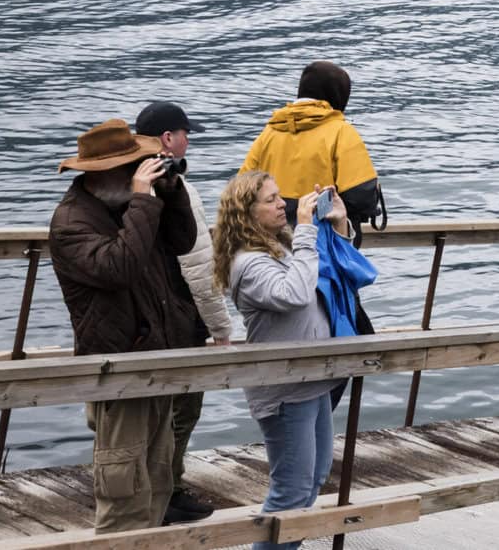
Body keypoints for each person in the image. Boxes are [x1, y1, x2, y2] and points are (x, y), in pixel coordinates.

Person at [47, 118, 203, 532]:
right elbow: (121, 268)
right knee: (123, 492)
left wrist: (169, 194)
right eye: (134, 166)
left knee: (156, 481)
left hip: (156, 359)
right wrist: (142, 200)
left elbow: (183, 241)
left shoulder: (128, 208)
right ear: (104, 174)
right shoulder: (71, 223)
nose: (143, 171)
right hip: (117, 369)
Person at [213, 170, 348, 550]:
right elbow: (295, 295)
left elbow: (328, 276)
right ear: (246, 212)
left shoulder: (278, 246)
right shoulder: (248, 263)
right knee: (291, 490)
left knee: (314, 478)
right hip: (284, 389)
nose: (282, 204)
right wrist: (305, 230)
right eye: (271, 200)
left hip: (310, 379)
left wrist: (336, 225)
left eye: (279, 196)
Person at [132, 102, 231, 526]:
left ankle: (151, 490)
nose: (189, 140)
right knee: (183, 406)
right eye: (185, 133)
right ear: (168, 139)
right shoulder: (175, 187)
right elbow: (196, 260)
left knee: (148, 409)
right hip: (177, 313)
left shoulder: (130, 181)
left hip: (142, 313)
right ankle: (166, 492)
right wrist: (220, 325)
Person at [242, 61, 386, 241]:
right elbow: (361, 197)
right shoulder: (341, 132)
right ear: (338, 96)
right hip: (324, 244)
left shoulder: (268, 134)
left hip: (272, 242)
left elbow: (241, 191)